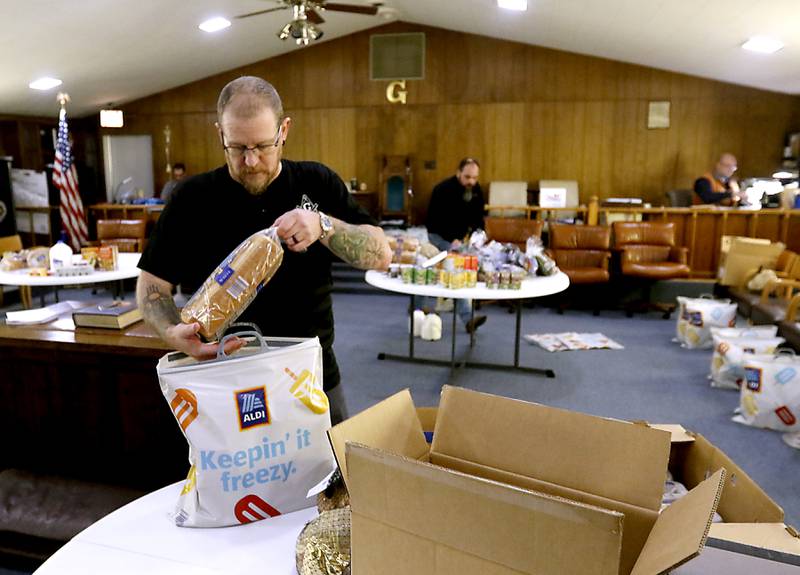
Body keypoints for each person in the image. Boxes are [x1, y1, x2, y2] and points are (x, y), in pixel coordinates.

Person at [136, 76, 392, 425]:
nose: (251, 161)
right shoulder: (191, 198)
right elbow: (152, 284)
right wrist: (170, 331)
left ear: (284, 130)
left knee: (333, 476)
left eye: (262, 146)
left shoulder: (317, 182)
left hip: (310, 372)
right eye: (237, 147)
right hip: (223, 373)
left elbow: (380, 254)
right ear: (220, 135)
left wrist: (322, 226)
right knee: (232, 478)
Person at [424, 157, 487, 334]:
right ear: (458, 173)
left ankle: (418, 310)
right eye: (467, 177)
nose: (471, 182)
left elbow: (478, 218)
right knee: (455, 268)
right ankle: (467, 319)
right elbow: (434, 222)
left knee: (467, 264)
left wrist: (479, 234)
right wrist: (452, 240)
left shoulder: (476, 190)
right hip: (438, 235)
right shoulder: (442, 190)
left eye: (474, 178)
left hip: (459, 239)